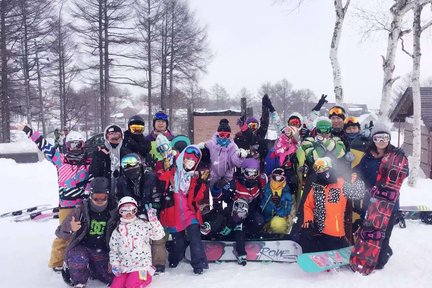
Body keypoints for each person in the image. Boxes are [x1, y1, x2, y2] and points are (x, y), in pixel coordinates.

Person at [16, 123, 92, 272]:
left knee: (83, 233)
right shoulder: (60, 159)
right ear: (67, 145)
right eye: (72, 144)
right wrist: (28, 130)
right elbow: (43, 144)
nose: (75, 148)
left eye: (78, 144)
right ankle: (56, 262)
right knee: (65, 234)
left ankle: (80, 260)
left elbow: (94, 175)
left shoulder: (88, 163)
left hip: (83, 204)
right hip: (66, 205)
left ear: (83, 145)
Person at [355, 123, 409, 269]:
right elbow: (359, 172)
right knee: (370, 232)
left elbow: (404, 174)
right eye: (378, 138)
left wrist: (401, 161)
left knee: (384, 233)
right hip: (371, 201)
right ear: (373, 139)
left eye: (385, 138)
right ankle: (367, 254)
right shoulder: (368, 157)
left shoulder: (396, 156)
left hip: (389, 203)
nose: (381, 141)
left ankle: (381, 258)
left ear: (389, 139)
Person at [56, 177, 117, 288]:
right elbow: (60, 233)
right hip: (82, 248)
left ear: (107, 196)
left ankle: (94, 269)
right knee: (77, 257)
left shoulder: (114, 211)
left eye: (103, 197)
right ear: (90, 196)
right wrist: (70, 228)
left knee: (111, 277)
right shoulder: (81, 210)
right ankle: (79, 281)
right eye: (96, 197)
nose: (99, 201)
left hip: (103, 251)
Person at [297, 157, 365, 253]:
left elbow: (358, 193)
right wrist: (308, 219)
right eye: (317, 168)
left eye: (321, 167)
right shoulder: (317, 187)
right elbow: (308, 205)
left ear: (329, 167)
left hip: (335, 234)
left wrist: (358, 182)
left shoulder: (341, 184)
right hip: (319, 231)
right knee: (304, 234)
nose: (319, 171)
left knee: (332, 247)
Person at [159, 145, 208, 274]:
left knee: (195, 237)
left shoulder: (194, 177)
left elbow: (198, 197)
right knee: (178, 243)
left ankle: (198, 264)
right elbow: (161, 181)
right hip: (173, 213)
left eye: (193, 162)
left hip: (189, 213)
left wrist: (201, 183)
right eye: (187, 160)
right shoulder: (172, 172)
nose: (189, 164)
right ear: (182, 159)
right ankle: (175, 257)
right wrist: (166, 168)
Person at [116, 153, 166, 273]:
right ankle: (132, 261)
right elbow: (119, 198)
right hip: (131, 213)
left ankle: (158, 262)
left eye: (133, 163)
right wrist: (130, 213)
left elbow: (157, 196)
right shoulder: (122, 181)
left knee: (156, 234)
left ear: (139, 164)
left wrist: (151, 211)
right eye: (126, 165)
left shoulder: (150, 177)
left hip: (150, 210)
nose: (130, 167)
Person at [217, 158, 267, 265]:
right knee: (240, 216)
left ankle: (248, 234)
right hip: (236, 211)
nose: (251, 176)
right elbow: (225, 197)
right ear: (243, 171)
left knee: (259, 221)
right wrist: (224, 190)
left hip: (252, 210)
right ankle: (240, 251)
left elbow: (267, 190)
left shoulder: (259, 182)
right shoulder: (235, 183)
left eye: (255, 173)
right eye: (249, 173)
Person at [109, 196, 165, 288]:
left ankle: (146, 277)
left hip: (141, 267)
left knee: (132, 285)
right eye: (124, 210)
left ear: (136, 210)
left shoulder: (143, 225)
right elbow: (114, 250)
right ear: (120, 212)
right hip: (124, 267)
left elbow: (159, 235)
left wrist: (154, 221)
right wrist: (115, 264)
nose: (128, 213)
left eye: (132, 209)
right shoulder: (118, 230)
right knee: (116, 286)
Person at [199, 119, 246, 210]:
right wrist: (200, 147)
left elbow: (235, 162)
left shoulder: (233, 146)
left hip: (226, 178)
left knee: (227, 196)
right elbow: (202, 153)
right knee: (214, 196)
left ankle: (228, 212)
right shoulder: (211, 144)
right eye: (221, 135)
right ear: (218, 134)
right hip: (213, 176)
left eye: (226, 135)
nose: (224, 137)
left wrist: (240, 157)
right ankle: (215, 213)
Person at [234, 94, 273, 162]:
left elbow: (264, 124)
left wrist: (265, 108)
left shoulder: (259, 135)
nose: (253, 128)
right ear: (246, 126)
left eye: (255, 126)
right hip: (244, 165)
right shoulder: (241, 137)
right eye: (251, 126)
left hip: (258, 164)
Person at [90, 124, 126, 194]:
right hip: (104, 187)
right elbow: (95, 172)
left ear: (121, 136)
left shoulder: (125, 152)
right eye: (111, 135)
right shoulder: (99, 152)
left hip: (123, 187)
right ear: (106, 137)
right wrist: (100, 157)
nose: (114, 137)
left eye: (117, 135)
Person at [260, 168, 293, 234]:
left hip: (278, 219)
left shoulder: (287, 193)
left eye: (280, 178)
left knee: (277, 224)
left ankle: (277, 236)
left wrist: (278, 205)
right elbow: (261, 204)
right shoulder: (266, 188)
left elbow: (286, 212)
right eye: (275, 177)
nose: (277, 180)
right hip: (265, 217)